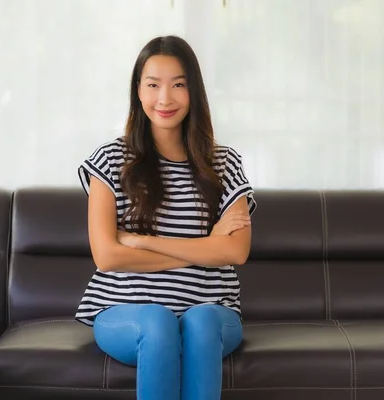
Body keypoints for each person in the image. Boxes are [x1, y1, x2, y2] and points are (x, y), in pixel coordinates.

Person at [75, 35, 257, 400]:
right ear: (138, 92)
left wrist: (142, 241)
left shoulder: (223, 163)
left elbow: (236, 251)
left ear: (194, 92)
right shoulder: (110, 160)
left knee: (201, 320)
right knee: (158, 322)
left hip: (214, 310)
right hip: (124, 310)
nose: (165, 98)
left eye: (178, 85)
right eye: (153, 84)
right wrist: (206, 247)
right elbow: (107, 256)